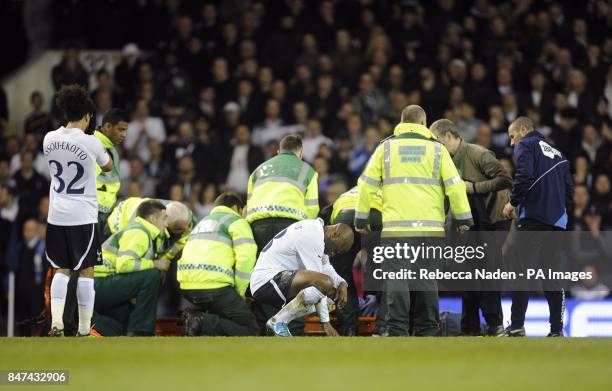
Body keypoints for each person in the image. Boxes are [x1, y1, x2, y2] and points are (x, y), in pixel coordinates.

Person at [355, 105, 473, 336]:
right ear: (423, 123)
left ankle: (397, 329)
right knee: (427, 279)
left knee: (398, 278)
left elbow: (366, 184)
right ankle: (428, 329)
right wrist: (463, 219)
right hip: (431, 231)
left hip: (396, 229)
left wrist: (362, 217)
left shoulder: (386, 148)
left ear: (402, 121)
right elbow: (456, 187)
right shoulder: (438, 150)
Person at [431, 118, 512, 337]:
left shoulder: (478, 154)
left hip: (494, 222)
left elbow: (505, 180)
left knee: (486, 273)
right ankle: (471, 327)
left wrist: (475, 187)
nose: (435, 147)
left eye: (437, 141)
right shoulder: (443, 161)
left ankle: (495, 325)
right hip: (468, 224)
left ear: (449, 136)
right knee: (466, 273)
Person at [43, 84, 113, 337]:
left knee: (60, 269)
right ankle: (84, 329)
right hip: (83, 215)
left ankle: (56, 324)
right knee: (86, 270)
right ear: (88, 116)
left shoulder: (48, 139)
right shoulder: (91, 142)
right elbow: (108, 166)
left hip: (56, 215)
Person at [502, 116, 574, 337]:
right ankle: (556, 330)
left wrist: (512, 202)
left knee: (522, 272)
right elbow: (569, 192)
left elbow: (524, 176)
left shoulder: (527, 144)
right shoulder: (559, 155)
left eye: (512, 136)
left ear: (523, 130)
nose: (512, 143)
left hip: (533, 218)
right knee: (551, 276)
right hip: (557, 222)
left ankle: (516, 326)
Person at [245, 134, 319, 333]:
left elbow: (249, 203)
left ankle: (265, 324)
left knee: (263, 275)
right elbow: (312, 209)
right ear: (300, 153)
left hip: (258, 225)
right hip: (289, 226)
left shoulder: (258, 171)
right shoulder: (307, 171)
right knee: (292, 278)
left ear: (278, 151)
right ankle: (290, 327)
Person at [250, 219, 353, 337]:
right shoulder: (312, 235)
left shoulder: (317, 232)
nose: (333, 254)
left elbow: (326, 267)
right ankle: (278, 322)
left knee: (332, 295)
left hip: (277, 280)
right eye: (336, 250)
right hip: (266, 281)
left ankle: (279, 324)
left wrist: (342, 283)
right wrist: (326, 322)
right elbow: (320, 282)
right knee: (325, 284)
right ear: (335, 234)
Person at [179, 192, 258, 336]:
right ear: (236, 208)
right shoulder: (235, 221)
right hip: (214, 287)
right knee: (250, 329)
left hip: (187, 288)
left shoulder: (201, 223)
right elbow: (246, 258)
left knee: (222, 317)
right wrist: (239, 292)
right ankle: (200, 320)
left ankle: (194, 319)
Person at [93, 200, 170, 336]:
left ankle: (98, 328)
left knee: (119, 325)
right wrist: (155, 264)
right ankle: (141, 331)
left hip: (98, 285)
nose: (167, 224)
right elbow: (124, 264)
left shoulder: (141, 231)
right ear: (152, 219)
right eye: (164, 218)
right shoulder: (139, 233)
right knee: (151, 275)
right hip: (99, 284)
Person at [320, 186, 383, 335]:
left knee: (341, 277)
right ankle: (383, 328)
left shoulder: (344, 196)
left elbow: (324, 220)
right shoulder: (384, 191)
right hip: (378, 218)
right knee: (385, 274)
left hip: (344, 220)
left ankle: (349, 329)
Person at [107, 197, 196, 261]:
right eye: (178, 229)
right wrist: (154, 263)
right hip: (118, 223)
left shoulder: (186, 218)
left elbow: (178, 244)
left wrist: (165, 259)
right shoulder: (146, 221)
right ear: (167, 224)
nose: (184, 230)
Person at [95, 108, 128, 232]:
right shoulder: (95, 146)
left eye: (126, 130)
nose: (124, 135)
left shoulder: (110, 148)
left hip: (104, 211)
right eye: (121, 129)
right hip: (95, 212)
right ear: (108, 126)